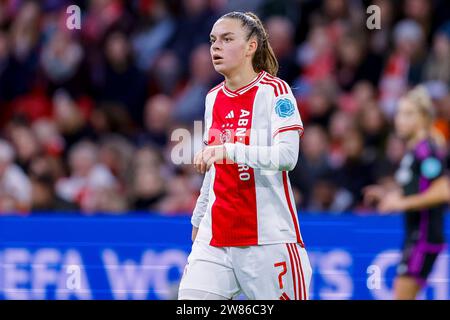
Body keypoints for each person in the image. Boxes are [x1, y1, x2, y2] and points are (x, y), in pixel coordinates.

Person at [178, 11, 312, 300]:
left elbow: (287, 156)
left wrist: (230, 150)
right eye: (213, 40)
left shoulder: (276, 91)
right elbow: (213, 168)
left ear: (251, 46)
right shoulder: (212, 97)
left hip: (267, 240)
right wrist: (199, 218)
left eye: (227, 39)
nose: (216, 47)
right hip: (215, 239)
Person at [364, 86, 448, 300]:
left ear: (422, 118)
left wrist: (399, 204)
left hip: (424, 236)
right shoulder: (414, 150)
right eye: (399, 113)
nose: (400, 120)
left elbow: (443, 190)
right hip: (415, 235)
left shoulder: (426, 150)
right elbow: (416, 186)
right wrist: (387, 193)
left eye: (408, 114)